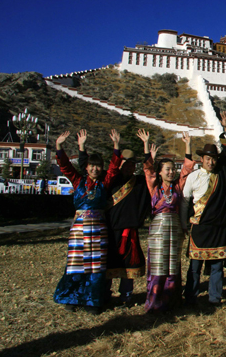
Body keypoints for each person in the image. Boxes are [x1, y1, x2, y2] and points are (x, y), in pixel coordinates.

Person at [78, 129, 151, 305]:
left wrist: (146, 146)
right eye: (126, 163)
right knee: (107, 263)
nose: (129, 167)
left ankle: (126, 295)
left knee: (128, 265)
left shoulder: (139, 183)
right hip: (108, 228)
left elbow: (151, 171)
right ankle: (105, 293)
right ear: (120, 164)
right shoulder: (109, 179)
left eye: (132, 164)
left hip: (128, 229)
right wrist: (82, 147)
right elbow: (85, 169)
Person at [53, 129, 122, 314]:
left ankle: (93, 300)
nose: (95, 169)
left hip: (99, 230)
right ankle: (72, 297)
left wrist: (116, 146)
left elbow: (114, 167)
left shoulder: (104, 183)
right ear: (86, 167)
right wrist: (59, 146)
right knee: (76, 264)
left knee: (96, 266)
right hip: (79, 230)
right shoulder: (78, 182)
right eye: (92, 165)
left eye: (98, 166)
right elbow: (66, 166)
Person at [182, 111, 226, 306]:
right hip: (200, 226)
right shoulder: (193, 177)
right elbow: (185, 201)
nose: (211, 161)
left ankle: (215, 298)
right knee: (195, 266)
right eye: (208, 158)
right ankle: (190, 296)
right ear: (202, 159)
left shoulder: (222, 171)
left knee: (217, 266)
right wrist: (185, 223)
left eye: (214, 158)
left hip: (219, 228)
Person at [141, 131, 195, 313]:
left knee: (173, 264)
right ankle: (156, 301)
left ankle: (172, 300)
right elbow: (148, 169)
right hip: (158, 228)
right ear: (160, 172)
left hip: (175, 228)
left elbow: (186, 171)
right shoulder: (154, 187)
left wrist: (188, 146)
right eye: (168, 170)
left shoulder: (177, 187)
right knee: (158, 264)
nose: (171, 172)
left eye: (173, 169)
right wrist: (146, 146)